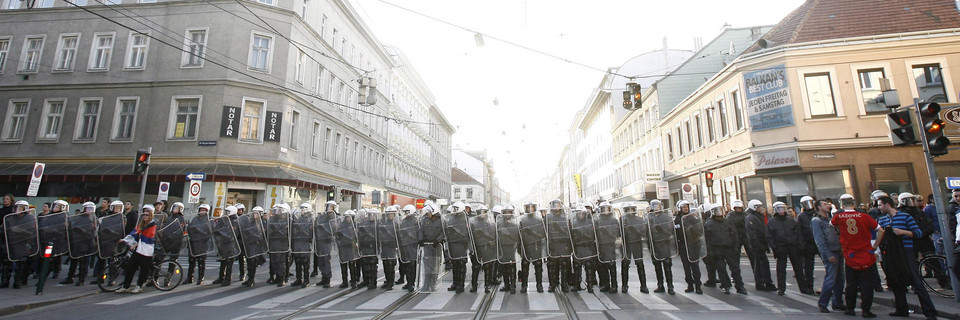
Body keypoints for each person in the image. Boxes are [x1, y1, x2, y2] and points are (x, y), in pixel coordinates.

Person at [876, 196, 937, 320]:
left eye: (880, 205)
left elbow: (918, 233)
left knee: (916, 280)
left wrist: (903, 232)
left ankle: (929, 312)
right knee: (895, 280)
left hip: (906, 251)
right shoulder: (882, 220)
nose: (878, 207)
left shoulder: (905, 217)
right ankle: (901, 309)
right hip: (891, 253)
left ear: (887, 204)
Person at [831, 194, 883, 318]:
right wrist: (875, 245)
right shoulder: (864, 216)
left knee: (851, 283)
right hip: (866, 253)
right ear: (854, 204)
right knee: (866, 284)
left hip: (850, 254)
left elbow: (832, 225)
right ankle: (866, 310)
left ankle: (850, 308)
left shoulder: (839, 217)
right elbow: (881, 230)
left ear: (842, 205)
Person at [704, 203, 746, 294]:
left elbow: (734, 234)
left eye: (720, 210)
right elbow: (707, 238)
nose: (719, 213)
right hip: (717, 249)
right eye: (716, 211)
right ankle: (725, 285)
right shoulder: (709, 223)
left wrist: (735, 246)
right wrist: (710, 251)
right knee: (721, 269)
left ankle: (740, 286)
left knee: (735, 268)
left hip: (729, 248)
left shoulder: (727, 221)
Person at [766, 201, 808, 296]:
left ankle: (803, 288)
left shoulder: (790, 220)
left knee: (798, 268)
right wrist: (774, 248)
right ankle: (781, 288)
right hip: (780, 246)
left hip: (792, 246)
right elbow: (769, 236)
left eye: (783, 209)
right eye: (779, 209)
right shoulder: (772, 221)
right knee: (781, 268)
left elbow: (798, 233)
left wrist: (800, 245)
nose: (782, 211)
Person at [812, 199, 845, 313]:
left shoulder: (830, 220)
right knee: (831, 278)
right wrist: (827, 254)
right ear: (819, 207)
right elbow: (819, 240)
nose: (828, 205)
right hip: (830, 251)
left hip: (838, 250)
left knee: (840, 279)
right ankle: (823, 303)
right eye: (825, 204)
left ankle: (837, 302)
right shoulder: (817, 221)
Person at [115, 205, 157, 294]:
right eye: (144, 215)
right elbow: (134, 233)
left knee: (144, 270)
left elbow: (148, 238)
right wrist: (125, 239)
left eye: (147, 215)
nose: (145, 216)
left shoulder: (152, 225)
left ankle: (139, 286)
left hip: (146, 251)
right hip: (138, 250)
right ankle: (126, 286)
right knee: (130, 267)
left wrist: (135, 244)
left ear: (150, 216)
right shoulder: (141, 224)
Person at [60, 202, 96, 287]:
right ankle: (70, 277)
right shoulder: (78, 218)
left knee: (83, 262)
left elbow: (92, 232)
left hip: (85, 242)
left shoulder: (93, 219)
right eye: (88, 208)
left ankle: (81, 279)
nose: (89, 210)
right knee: (74, 261)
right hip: (76, 241)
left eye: (91, 209)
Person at [745, 199, 775, 291]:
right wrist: (757, 245)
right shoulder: (751, 218)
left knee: (764, 264)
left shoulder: (759, 217)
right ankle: (760, 283)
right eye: (759, 207)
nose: (761, 208)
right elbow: (752, 234)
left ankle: (767, 282)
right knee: (758, 265)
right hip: (757, 246)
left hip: (761, 244)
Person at [647, 199, 676, 295]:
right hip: (654, 244)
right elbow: (646, 231)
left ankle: (670, 286)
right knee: (657, 266)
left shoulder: (666, 217)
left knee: (667, 266)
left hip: (664, 243)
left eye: (657, 206)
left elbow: (670, 231)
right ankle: (660, 285)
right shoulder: (649, 217)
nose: (655, 208)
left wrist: (662, 230)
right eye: (654, 206)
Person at [619, 201, 647, 293]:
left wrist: (635, 230)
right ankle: (624, 285)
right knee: (625, 264)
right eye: (628, 209)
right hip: (626, 244)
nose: (630, 211)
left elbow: (644, 233)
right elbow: (618, 232)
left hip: (636, 243)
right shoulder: (622, 219)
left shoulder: (639, 220)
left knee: (639, 263)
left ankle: (643, 285)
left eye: (632, 209)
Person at [519, 202, 546, 293]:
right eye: (528, 207)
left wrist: (532, 233)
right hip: (526, 246)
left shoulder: (539, 220)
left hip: (536, 245)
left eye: (532, 207)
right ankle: (524, 285)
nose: (530, 209)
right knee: (525, 265)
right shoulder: (521, 219)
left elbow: (542, 234)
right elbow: (519, 234)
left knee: (538, 265)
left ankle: (539, 284)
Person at [443, 202, 470, 293]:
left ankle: (461, 284)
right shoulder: (451, 218)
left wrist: (454, 231)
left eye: (456, 209)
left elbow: (466, 233)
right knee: (454, 263)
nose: (454, 211)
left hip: (461, 243)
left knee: (461, 263)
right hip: (452, 243)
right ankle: (455, 282)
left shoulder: (465, 219)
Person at [796, 196, 818, 295]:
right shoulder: (801, 216)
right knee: (809, 266)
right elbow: (799, 232)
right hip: (808, 242)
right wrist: (801, 245)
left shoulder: (816, 214)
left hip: (818, 241)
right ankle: (809, 286)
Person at [184, 204, 211, 285]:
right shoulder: (195, 219)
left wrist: (198, 230)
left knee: (201, 261)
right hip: (193, 242)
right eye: (201, 210)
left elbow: (209, 232)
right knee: (191, 261)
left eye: (204, 210)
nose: (202, 211)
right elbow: (190, 228)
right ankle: (189, 277)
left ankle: (200, 277)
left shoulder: (208, 220)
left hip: (202, 243)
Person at [396, 204, 420, 291]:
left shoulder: (416, 221)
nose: (406, 213)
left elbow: (418, 233)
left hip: (413, 245)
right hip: (405, 245)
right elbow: (400, 231)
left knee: (412, 265)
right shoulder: (404, 220)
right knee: (406, 264)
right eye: (405, 212)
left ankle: (412, 283)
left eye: (407, 212)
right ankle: (408, 282)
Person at [312, 202, 336, 288]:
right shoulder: (323, 217)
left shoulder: (334, 218)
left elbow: (333, 229)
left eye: (330, 207)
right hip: (320, 240)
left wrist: (324, 228)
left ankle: (327, 279)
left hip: (327, 241)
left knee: (326, 260)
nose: (328, 210)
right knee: (321, 260)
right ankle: (323, 277)